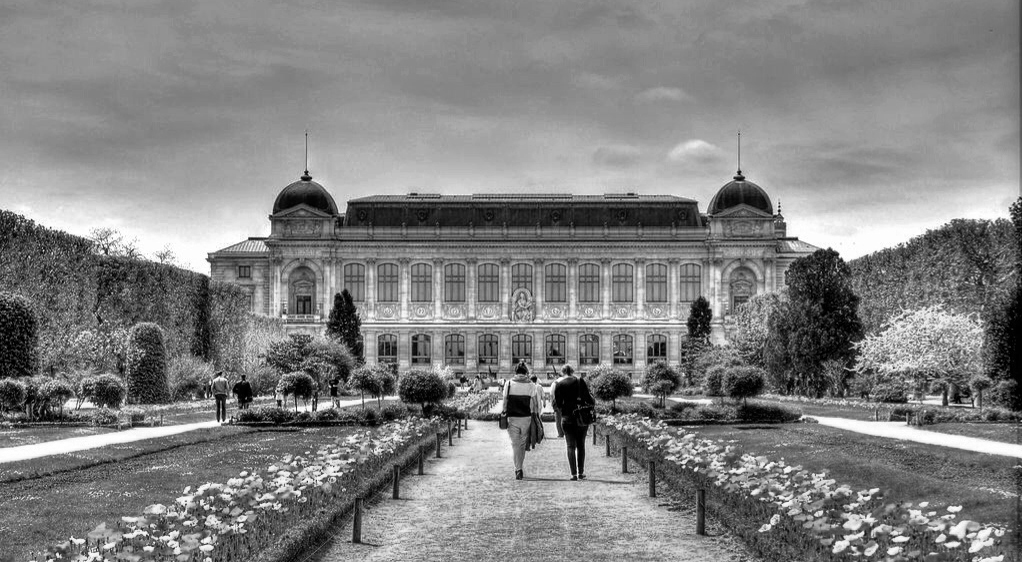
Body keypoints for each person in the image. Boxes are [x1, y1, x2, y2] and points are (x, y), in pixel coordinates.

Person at [553, 364, 595, 480]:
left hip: (567, 418)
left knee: (570, 446)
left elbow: (558, 403)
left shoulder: (559, 384)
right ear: (572, 371)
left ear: (562, 372)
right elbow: (589, 399)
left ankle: (573, 474)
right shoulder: (579, 381)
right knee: (581, 445)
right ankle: (581, 472)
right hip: (581, 417)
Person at [501, 362, 539, 480]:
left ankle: (518, 469)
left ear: (515, 372)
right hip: (526, 418)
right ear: (526, 372)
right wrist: (536, 416)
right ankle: (519, 467)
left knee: (515, 445)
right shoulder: (531, 385)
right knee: (522, 445)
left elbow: (505, 402)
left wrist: (504, 412)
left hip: (512, 418)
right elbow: (535, 403)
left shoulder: (508, 384)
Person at [550, 371, 568, 438]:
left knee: (558, 419)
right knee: (566, 418)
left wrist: (552, 403)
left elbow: (551, 394)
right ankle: (566, 433)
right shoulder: (566, 381)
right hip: (566, 403)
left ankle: (560, 434)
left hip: (557, 403)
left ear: (556, 376)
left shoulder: (554, 383)